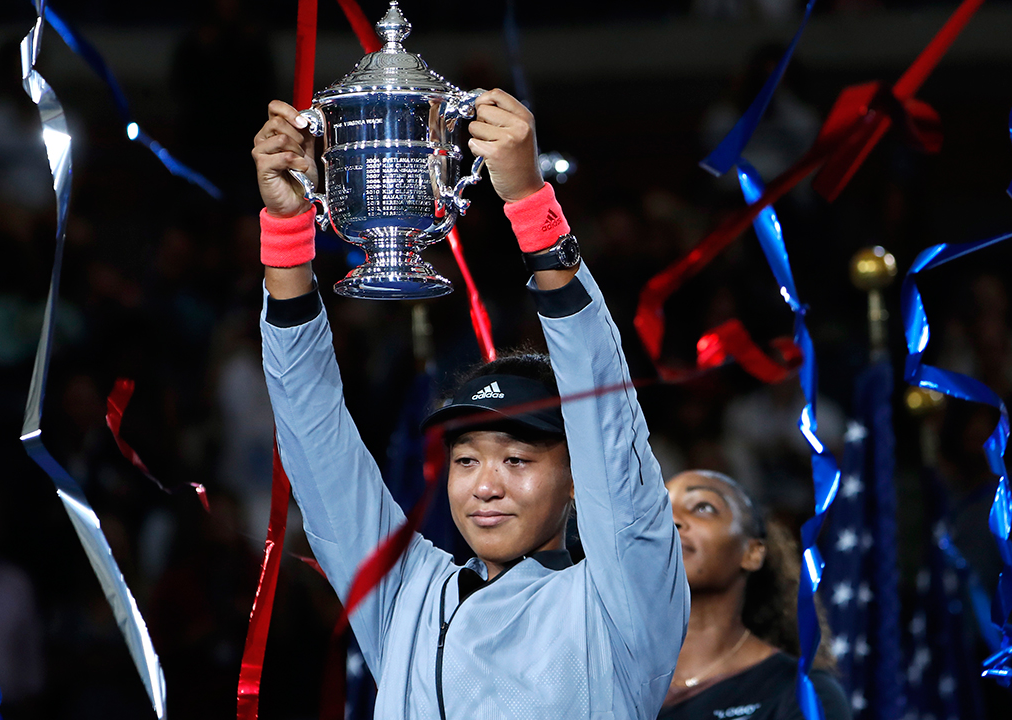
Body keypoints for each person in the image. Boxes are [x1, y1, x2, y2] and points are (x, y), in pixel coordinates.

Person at [251, 89, 688, 719]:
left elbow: (607, 423)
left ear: (575, 480)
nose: (485, 485)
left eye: (516, 459)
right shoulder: (406, 597)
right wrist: (289, 233)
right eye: (466, 460)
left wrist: (532, 206)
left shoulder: (622, 599)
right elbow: (313, 433)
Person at [661, 469, 849, 720]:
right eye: (658, 509)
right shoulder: (606, 678)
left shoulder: (804, 693)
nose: (671, 520)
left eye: (702, 507)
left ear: (752, 553)